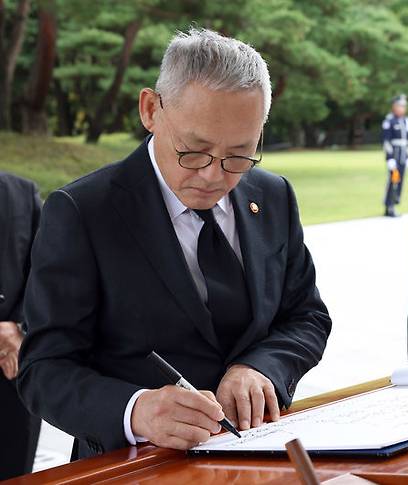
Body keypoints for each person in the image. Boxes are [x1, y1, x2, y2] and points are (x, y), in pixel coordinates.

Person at [17, 28, 331, 460]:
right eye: (194, 150)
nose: (215, 177)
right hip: (136, 465)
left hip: (261, 456)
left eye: (239, 154)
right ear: (151, 109)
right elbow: (43, 370)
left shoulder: (272, 195)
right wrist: (137, 410)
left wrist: (261, 367)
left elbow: (306, 316)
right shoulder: (82, 211)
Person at [0, 172, 41, 480]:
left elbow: (43, 268)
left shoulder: (22, 191)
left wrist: (13, 321)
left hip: (12, 360)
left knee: (15, 468)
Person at [382, 94, 408, 217]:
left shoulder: (406, 120)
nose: (402, 108)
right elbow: (386, 141)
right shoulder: (389, 121)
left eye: (404, 106)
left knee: (401, 181)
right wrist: (389, 158)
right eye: (400, 106)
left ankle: (395, 202)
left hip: (403, 155)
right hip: (394, 155)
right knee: (394, 180)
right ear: (394, 107)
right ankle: (389, 207)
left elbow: (407, 141)